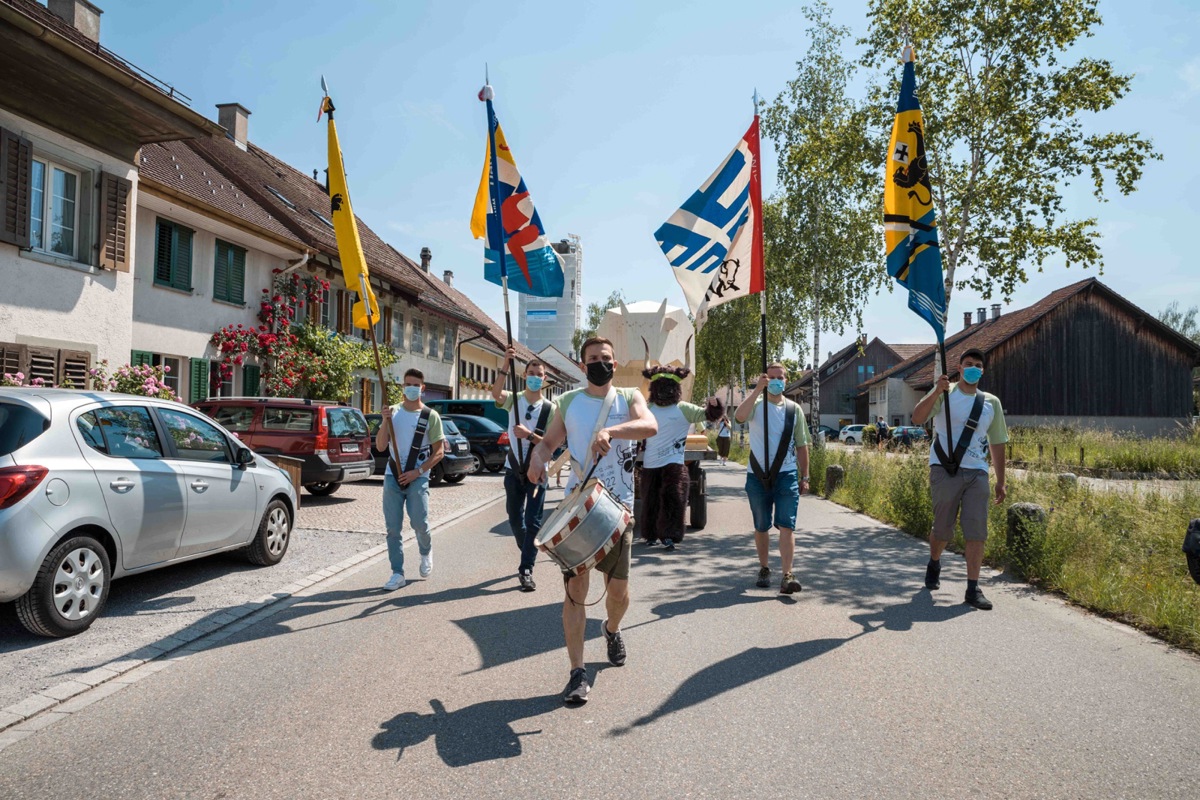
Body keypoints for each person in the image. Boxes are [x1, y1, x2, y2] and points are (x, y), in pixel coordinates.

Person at [527, 336, 657, 705]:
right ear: (582, 366)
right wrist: (538, 458)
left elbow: (649, 426)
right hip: (580, 508)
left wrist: (611, 431)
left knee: (618, 594)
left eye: (606, 358)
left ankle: (612, 628)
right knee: (575, 593)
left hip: (620, 509)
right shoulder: (568, 402)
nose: (599, 363)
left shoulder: (630, 396)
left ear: (614, 365)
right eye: (592, 358)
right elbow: (547, 443)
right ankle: (577, 671)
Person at [911, 347, 1008, 610]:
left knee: (976, 529)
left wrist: (1001, 479)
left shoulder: (991, 402)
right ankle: (934, 561)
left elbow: (998, 442)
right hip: (944, 468)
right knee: (943, 528)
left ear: (983, 370)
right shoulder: (946, 393)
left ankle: (972, 588)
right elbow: (918, 418)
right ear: (960, 368)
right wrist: (935, 391)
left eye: (978, 364)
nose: (973, 367)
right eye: (968, 363)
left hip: (977, 471)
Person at [734, 363, 811, 594]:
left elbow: (802, 445)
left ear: (786, 380)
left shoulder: (793, 409)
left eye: (781, 377)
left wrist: (805, 475)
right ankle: (764, 567)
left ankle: (788, 575)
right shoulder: (756, 406)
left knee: (787, 525)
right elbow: (739, 417)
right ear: (766, 379)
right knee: (761, 525)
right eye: (772, 377)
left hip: (786, 475)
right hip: (757, 475)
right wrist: (757, 389)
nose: (777, 381)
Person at [491, 346, 555, 592]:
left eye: (539, 374)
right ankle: (527, 546)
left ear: (544, 379)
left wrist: (530, 436)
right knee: (515, 519)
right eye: (531, 372)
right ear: (524, 375)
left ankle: (526, 569)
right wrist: (505, 364)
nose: (535, 377)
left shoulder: (550, 408)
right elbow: (495, 393)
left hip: (538, 472)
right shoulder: (514, 400)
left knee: (533, 520)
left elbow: (552, 442)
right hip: (513, 469)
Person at [377, 368, 445, 591]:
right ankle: (397, 573)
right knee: (393, 528)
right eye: (408, 384)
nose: (412, 388)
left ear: (422, 388)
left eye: (416, 385)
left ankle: (425, 552)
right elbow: (379, 446)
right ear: (403, 387)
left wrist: (419, 471)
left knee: (419, 522)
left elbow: (439, 452)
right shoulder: (393, 412)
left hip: (418, 478)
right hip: (392, 476)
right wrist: (385, 421)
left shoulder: (430, 416)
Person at [639, 365, 707, 551]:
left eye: (669, 386)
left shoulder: (683, 408)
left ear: (676, 388)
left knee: (674, 498)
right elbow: (632, 422)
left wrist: (715, 406)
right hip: (651, 462)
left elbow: (705, 414)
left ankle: (669, 534)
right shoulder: (646, 408)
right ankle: (650, 534)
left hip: (674, 462)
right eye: (661, 386)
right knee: (650, 498)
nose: (664, 391)